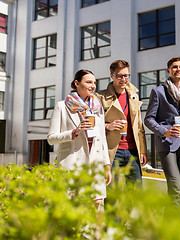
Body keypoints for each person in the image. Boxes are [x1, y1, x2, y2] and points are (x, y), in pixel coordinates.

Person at [47, 69, 112, 207]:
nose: (93, 86)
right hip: (73, 163)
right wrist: (74, 132)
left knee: (97, 204)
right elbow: (51, 138)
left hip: (95, 164)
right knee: (74, 207)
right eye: (88, 82)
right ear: (77, 83)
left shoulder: (97, 107)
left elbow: (102, 140)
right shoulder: (62, 107)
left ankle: (96, 230)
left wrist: (107, 165)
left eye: (94, 83)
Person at [144, 56, 180, 205]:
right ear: (168, 70)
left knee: (178, 188)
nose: (178, 69)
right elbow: (148, 119)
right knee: (175, 185)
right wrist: (164, 131)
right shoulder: (158, 92)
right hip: (166, 144)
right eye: (174, 67)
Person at [97, 60, 147, 185]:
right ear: (111, 76)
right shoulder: (100, 97)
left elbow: (139, 126)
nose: (123, 79)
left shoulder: (133, 96)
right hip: (113, 150)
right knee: (112, 193)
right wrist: (108, 126)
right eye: (119, 76)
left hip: (132, 150)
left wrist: (143, 150)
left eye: (126, 75)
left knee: (136, 191)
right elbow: (93, 124)